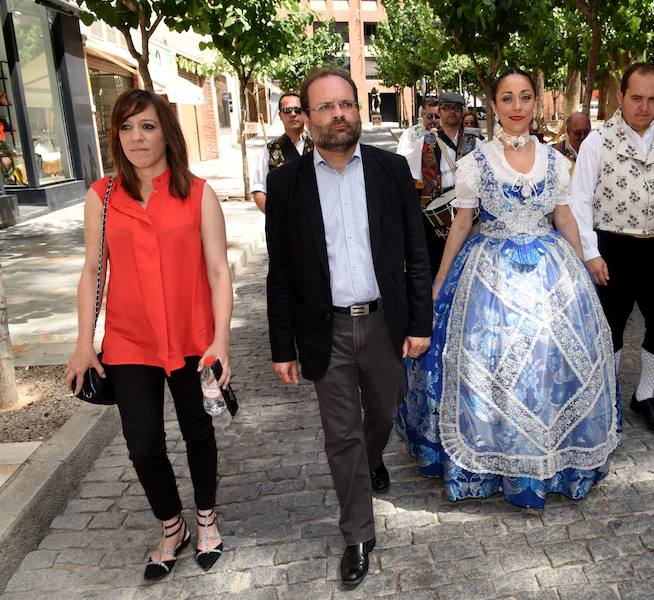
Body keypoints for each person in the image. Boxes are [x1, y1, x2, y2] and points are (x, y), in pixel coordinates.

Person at [398, 68, 620, 510]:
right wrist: (440, 281)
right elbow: (462, 222)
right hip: (488, 272)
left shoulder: (557, 161)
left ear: (535, 102)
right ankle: (492, 461)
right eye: (507, 98)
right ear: (494, 105)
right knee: (487, 364)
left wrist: (580, 268)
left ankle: (552, 459)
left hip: (549, 273)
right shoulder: (475, 162)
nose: (516, 107)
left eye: (524, 97)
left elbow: (565, 217)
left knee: (548, 361)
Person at [265, 68, 432, 587]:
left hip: (384, 323)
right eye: (325, 107)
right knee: (341, 435)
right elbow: (282, 271)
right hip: (327, 331)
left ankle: (374, 454)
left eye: (346, 104)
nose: (338, 114)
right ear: (308, 118)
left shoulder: (390, 170)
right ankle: (358, 531)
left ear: (358, 110)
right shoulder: (286, 182)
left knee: (383, 410)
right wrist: (281, 345)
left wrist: (420, 322)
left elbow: (415, 255)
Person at [64, 89, 233, 580]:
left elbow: (220, 272)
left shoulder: (198, 193)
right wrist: (82, 341)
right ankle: (171, 525)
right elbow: (93, 270)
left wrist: (220, 340)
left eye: (147, 126)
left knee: (197, 432)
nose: (136, 137)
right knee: (142, 443)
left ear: (166, 133)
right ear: (115, 136)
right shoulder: (102, 196)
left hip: (192, 339)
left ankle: (206, 518)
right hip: (128, 342)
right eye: (126, 127)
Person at [571, 62, 654, 437]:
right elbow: (579, 202)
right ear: (621, 96)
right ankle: (608, 396)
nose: (644, 106)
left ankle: (644, 396)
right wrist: (591, 253)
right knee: (609, 327)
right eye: (636, 97)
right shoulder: (597, 140)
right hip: (612, 246)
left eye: (652, 99)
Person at [399, 91, 485, 276]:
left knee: (468, 265)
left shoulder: (476, 143)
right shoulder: (425, 141)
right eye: (447, 108)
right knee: (435, 264)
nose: (452, 112)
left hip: (469, 213)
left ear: (462, 112)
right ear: (440, 111)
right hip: (435, 217)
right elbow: (414, 177)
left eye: (456, 108)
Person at [250, 92, 314, 213]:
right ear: (280, 115)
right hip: (284, 219)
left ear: (305, 113)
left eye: (297, 110)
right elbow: (259, 188)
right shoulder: (270, 150)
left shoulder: (318, 145)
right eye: (287, 110)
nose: (293, 114)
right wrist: (274, 217)